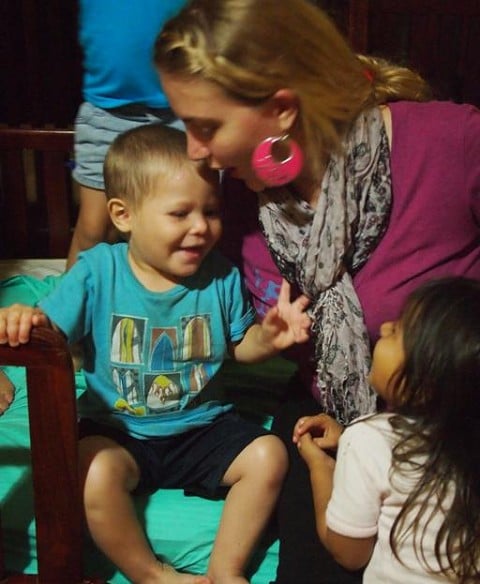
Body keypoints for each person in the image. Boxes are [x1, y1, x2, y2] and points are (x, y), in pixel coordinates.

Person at [153, 1, 480, 582]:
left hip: (456, 422)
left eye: (206, 127)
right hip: (328, 417)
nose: (196, 151)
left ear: (282, 110)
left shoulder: (451, 145)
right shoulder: (235, 202)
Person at [0, 123, 312, 584]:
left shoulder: (221, 276)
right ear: (124, 216)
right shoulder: (97, 272)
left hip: (203, 427)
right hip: (119, 428)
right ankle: (151, 574)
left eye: (211, 211)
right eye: (180, 213)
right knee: (90, 470)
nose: (200, 227)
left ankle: (224, 569)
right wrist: (23, 318)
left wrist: (268, 338)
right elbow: (50, 333)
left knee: (269, 455)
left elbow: (238, 347)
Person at [296, 276, 480, 582]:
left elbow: (349, 553)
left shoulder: (368, 440)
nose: (383, 328)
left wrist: (321, 468)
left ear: (424, 386)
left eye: (396, 332)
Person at [67, 0, 188, 269]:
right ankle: (69, 296)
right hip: (108, 110)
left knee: (187, 221)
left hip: (187, 106)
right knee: (94, 229)